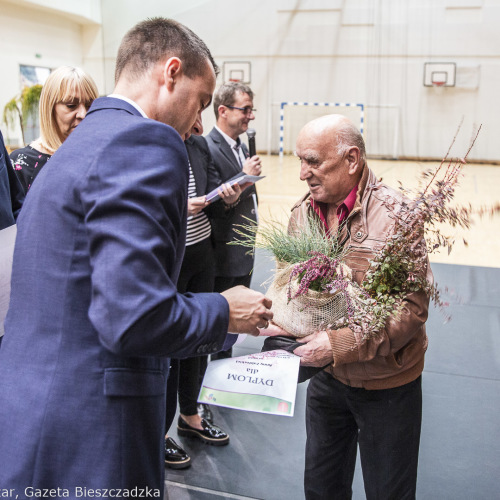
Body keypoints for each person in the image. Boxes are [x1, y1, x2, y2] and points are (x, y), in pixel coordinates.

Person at [0, 17, 273, 496]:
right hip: (95, 429)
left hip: (34, 415)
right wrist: (225, 311)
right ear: (170, 73)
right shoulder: (143, 142)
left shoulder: (78, 143)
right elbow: (134, 315)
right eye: (201, 102)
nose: (196, 123)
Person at [277, 114, 432, 499]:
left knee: (388, 492)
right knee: (321, 489)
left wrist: (338, 343)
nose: (302, 174)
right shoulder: (303, 214)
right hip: (328, 379)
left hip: (387, 385)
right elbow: (295, 292)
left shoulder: (397, 216)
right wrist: (279, 322)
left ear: (351, 159)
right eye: (300, 161)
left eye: (312, 162)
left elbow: (410, 309)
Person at [164, 134, 243, 469]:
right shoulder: (159, 140)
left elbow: (213, 189)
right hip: (173, 255)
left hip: (202, 252)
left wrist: (226, 198)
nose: (199, 119)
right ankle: (160, 431)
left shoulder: (197, 144)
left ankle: (191, 414)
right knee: (168, 345)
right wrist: (180, 207)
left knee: (199, 343)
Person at [206, 82, 262, 360]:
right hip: (224, 253)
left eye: (252, 110)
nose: (250, 116)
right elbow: (211, 201)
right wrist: (243, 175)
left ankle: (224, 374)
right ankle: (211, 385)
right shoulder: (208, 147)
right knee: (221, 323)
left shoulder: (240, 147)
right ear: (223, 110)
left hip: (244, 248)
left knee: (235, 325)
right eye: (245, 109)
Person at [10, 66, 99, 192]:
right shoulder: (21, 164)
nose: (83, 114)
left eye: (90, 105)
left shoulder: (100, 156)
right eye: (71, 106)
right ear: (50, 109)